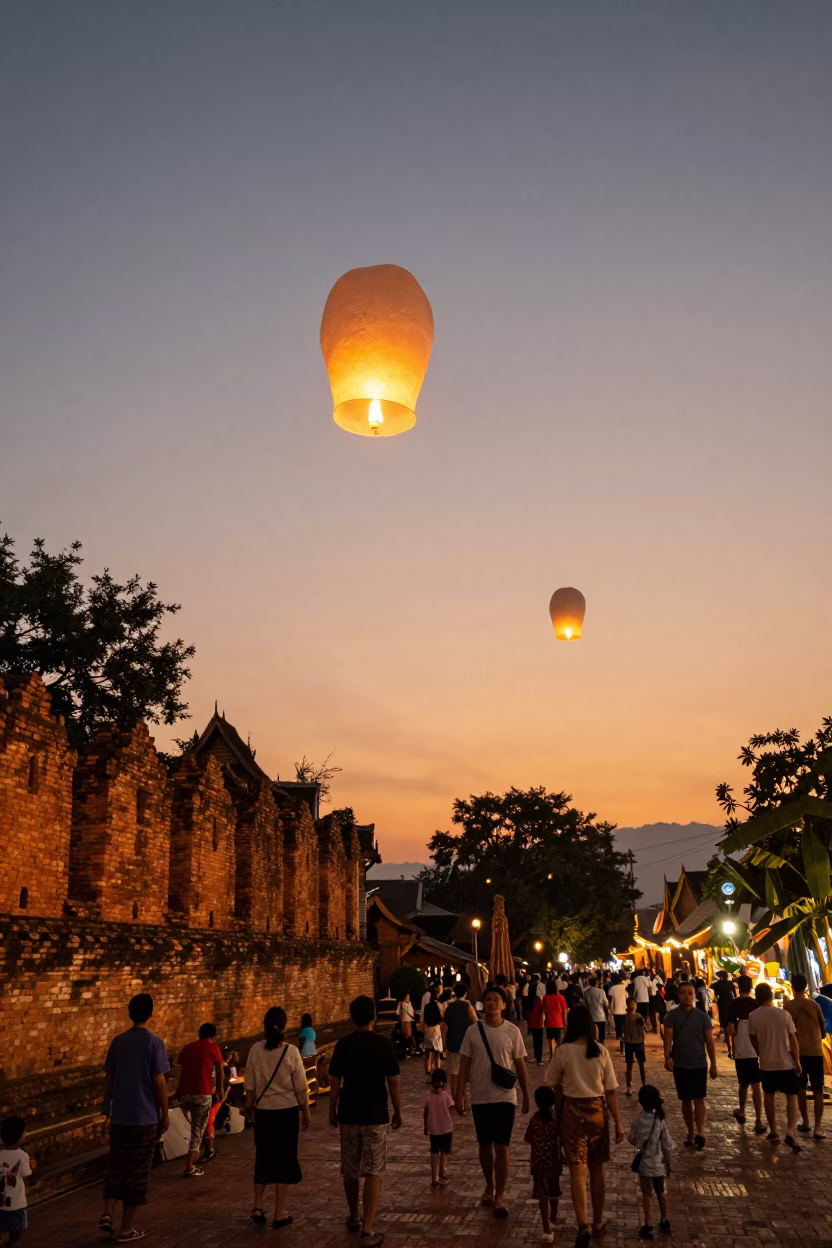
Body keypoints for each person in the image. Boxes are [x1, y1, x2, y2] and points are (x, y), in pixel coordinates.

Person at [544, 1005, 623, 1248]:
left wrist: (557, 1115)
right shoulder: (600, 1051)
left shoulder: (563, 1051)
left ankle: (582, 1225)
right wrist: (618, 1123)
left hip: (572, 1114)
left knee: (577, 1172)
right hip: (597, 1112)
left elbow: (553, 1086)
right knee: (597, 1170)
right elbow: (610, 1092)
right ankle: (598, 1222)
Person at [329, 995, 402, 1247]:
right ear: (373, 1017)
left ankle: (354, 1215)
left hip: (348, 1113)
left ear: (352, 1018)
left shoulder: (343, 1045)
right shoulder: (384, 1044)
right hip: (375, 1114)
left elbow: (335, 1080)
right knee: (373, 1170)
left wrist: (331, 1109)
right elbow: (393, 1081)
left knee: (350, 1169)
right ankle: (368, 1227)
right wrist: (398, 1110)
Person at [99, 992, 170, 1242]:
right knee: (138, 1172)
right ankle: (126, 1228)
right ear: (151, 1014)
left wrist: (107, 1108)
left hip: (120, 1116)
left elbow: (109, 1078)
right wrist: (165, 1112)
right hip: (144, 1118)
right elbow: (159, 1082)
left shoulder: (118, 1042)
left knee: (117, 1165)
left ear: (130, 1013)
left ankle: (107, 1212)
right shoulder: (155, 1043)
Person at [455, 984, 530, 1220]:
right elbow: (464, 1064)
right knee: (485, 1145)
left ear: (504, 1005)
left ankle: (500, 1195)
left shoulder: (512, 1031)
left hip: (505, 1096)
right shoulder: (473, 1031)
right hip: (480, 1096)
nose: (492, 1003)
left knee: (503, 1145)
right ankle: (489, 1185)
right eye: (488, 999)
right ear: (482, 1004)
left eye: (496, 999)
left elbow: (520, 1064)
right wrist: (459, 1094)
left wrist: (526, 1093)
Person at [245, 1006, 310, 1229]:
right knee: (284, 1160)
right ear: (283, 1025)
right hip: (286, 1112)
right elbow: (301, 1087)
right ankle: (279, 1213)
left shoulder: (255, 1050)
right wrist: (306, 1112)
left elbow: (250, 1087)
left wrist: (249, 1109)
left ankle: (257, 1206)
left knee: (263, 1157)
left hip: (263, 1112)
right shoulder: (291, 1051)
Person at [662, 980, 717, 1150]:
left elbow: (709, 1042)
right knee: (685, 1100)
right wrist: (667, 1057)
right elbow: (668, 1037)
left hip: (699, 1063)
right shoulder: (671, 1016)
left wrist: (713, 1064)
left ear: (694, 995)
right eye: (683, 993)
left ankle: (700, 1131)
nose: (686, 996)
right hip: (681, 1063)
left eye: (690, 992)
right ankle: (690, 1132)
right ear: (678, 995)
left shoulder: (703, 1017)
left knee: (699, 1099)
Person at [748, 983, 801, 1149]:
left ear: (757, 998)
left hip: (767, 1063)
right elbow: (793, 1040)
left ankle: (774, 1131)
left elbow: (753, 1039)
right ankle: (790, 1132)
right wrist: (797, 1061)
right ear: (771, 997)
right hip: (785, 1063)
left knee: (769, 1095)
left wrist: (760, 1053)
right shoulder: (784, 1015)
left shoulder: (753, 1016)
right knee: (792, 1096)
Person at [176, 1021, 225, 1178]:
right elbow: (220, 1069)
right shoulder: (213, 1047)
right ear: (212, 1036)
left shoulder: (188, 1048)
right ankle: (190, 1166)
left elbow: (182, 1070)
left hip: (185, 1094)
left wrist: (178, 1090)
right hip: (202, 1094)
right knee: (197, 1130)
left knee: (196, 1126)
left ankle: (206, 1150)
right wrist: (220, 1089)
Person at [785, 973, 827, 1139]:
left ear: (792, 987)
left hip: (798, 1053)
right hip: (816, 1051)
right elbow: (823, 1028)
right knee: (818, 1090)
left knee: (800, 1088)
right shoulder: (814, 1005)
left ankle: (806, 1122)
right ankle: (818, 1127)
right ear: (805, 987)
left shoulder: (788, 1006)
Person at [628, 1085, 672, 1240]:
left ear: (641, 1102)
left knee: (646, 1193)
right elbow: (667, 1144)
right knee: (661, 1192)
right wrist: (668, 1163)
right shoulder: (659, 1120)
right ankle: (665, 1219)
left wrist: (640, 1143)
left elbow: (631, 1138)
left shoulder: (638, 1120)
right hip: (658, 1163)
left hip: (644, 1165)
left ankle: (647, 1223)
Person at [725, 975, 765, 1135]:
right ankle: (758, 1119)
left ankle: (741, 1111)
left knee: (743, 1083)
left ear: (738, 987)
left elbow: (731, 1029)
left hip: (741, 1049)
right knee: (756, 1084)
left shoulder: (734, 1004)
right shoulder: (756, 1004)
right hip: (755, 1050)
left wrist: (732, 1048)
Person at [524, 1084, 562, 1244]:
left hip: (539, 1163)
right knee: (554, 1191)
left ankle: (547, 1229)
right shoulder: (556, 1120)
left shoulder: (534, 1120)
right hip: (554, 1161)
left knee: (542, 1196)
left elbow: (527, 1138)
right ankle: (553, 1217)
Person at [0, 1116, 33, 1246]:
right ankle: (10, 1244)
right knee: (19, 1227)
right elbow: (26, 1173)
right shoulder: (22, 1156)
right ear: (21, 1136)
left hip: (1, 1200)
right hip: (17, 1202)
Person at [423, 1068, 454, 1187]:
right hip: (446, 1128)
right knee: (444, 1152)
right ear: (444, 1083)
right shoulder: (446, 1095)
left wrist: (426, 1127)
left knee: (434, 1152)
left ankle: (434, 1178)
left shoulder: (428, 1096)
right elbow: (451, 1107)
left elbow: (425, 1113)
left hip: (434, 1129)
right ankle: (442, 1173)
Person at [623, 997, 647, 1095]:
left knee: (641, 1065)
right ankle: (629, 1087)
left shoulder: (638, 1016)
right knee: (629, 1066)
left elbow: (642, 1029)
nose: (633, 1006)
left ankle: (644, 1084)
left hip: (638, 1043)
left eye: (634, 1004)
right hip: (629, 1043)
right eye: (631, 1004)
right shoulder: (625, 1017)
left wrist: (643, 1039)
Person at [711, 971, 737, 1054]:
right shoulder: (730, 984)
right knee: (731, 1023)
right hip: (730, 1003)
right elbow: (735, 995)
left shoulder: (717, 984)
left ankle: (729, 1047)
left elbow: (712, 988)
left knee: (725, 1025)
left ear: (721, 977)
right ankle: (734, 1048)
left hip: (722, 1003)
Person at [544, 981, 569, 1059]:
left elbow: (544, 1010)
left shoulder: (545, 998)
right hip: (559, 1022)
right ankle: (560, 1056)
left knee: (550, 1040)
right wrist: (565, 1022)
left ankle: (552, 1056)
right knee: (559, 1041)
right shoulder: (561, 997)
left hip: (549, 1022)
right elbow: (564, 1011)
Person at [423, 990, 444, 1076]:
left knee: (428, 1052)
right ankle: (437, 1070)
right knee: (437, 1052)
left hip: (428, 1029)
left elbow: (424, 1018)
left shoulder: (427, 1006)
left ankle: (428, 1070)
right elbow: (441, 1017)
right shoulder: (438, 1005)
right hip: (436, 1029)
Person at [583, 978, 609, 1047]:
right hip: (601, 1016)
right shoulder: (601, 992)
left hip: (591, 1017)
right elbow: (605, 1004)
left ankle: (592, 1047)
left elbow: (585, 1005)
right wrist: (607, 1015)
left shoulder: (586, 992)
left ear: (589, 983)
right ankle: (602, 1048)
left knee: (592, 1034)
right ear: (596, 983)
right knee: (602, 1035)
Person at [609, 974, 630, 1052]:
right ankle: (624, 1036)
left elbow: (610, 998)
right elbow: (627, 997)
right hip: (624, 1009)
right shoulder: (624, 988)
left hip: (616, 1009)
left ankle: (618, 1035)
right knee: (624, 1024)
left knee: (618, 1024)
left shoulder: (612, 988)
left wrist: (610, 1007)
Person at [528, 982, 546, 1065]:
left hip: (532, 1023)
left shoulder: (529, 1000)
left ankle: (536, 1056)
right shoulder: (539, 1000)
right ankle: (539, 1059)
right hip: (539, 1023)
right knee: (539, 1042)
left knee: (535, 1041)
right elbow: (542, 1010)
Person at [396, 994, 415, 1059]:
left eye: (408, 997)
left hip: (408, 1021)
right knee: (406, 1036)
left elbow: (411, 1012)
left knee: (409, 1036)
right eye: (407, 997)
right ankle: (406, 1051)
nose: (408, 998)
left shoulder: (409, 1004)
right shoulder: (402, 1004)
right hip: (404, 1022)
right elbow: (399, 1013)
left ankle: (408, 1050)